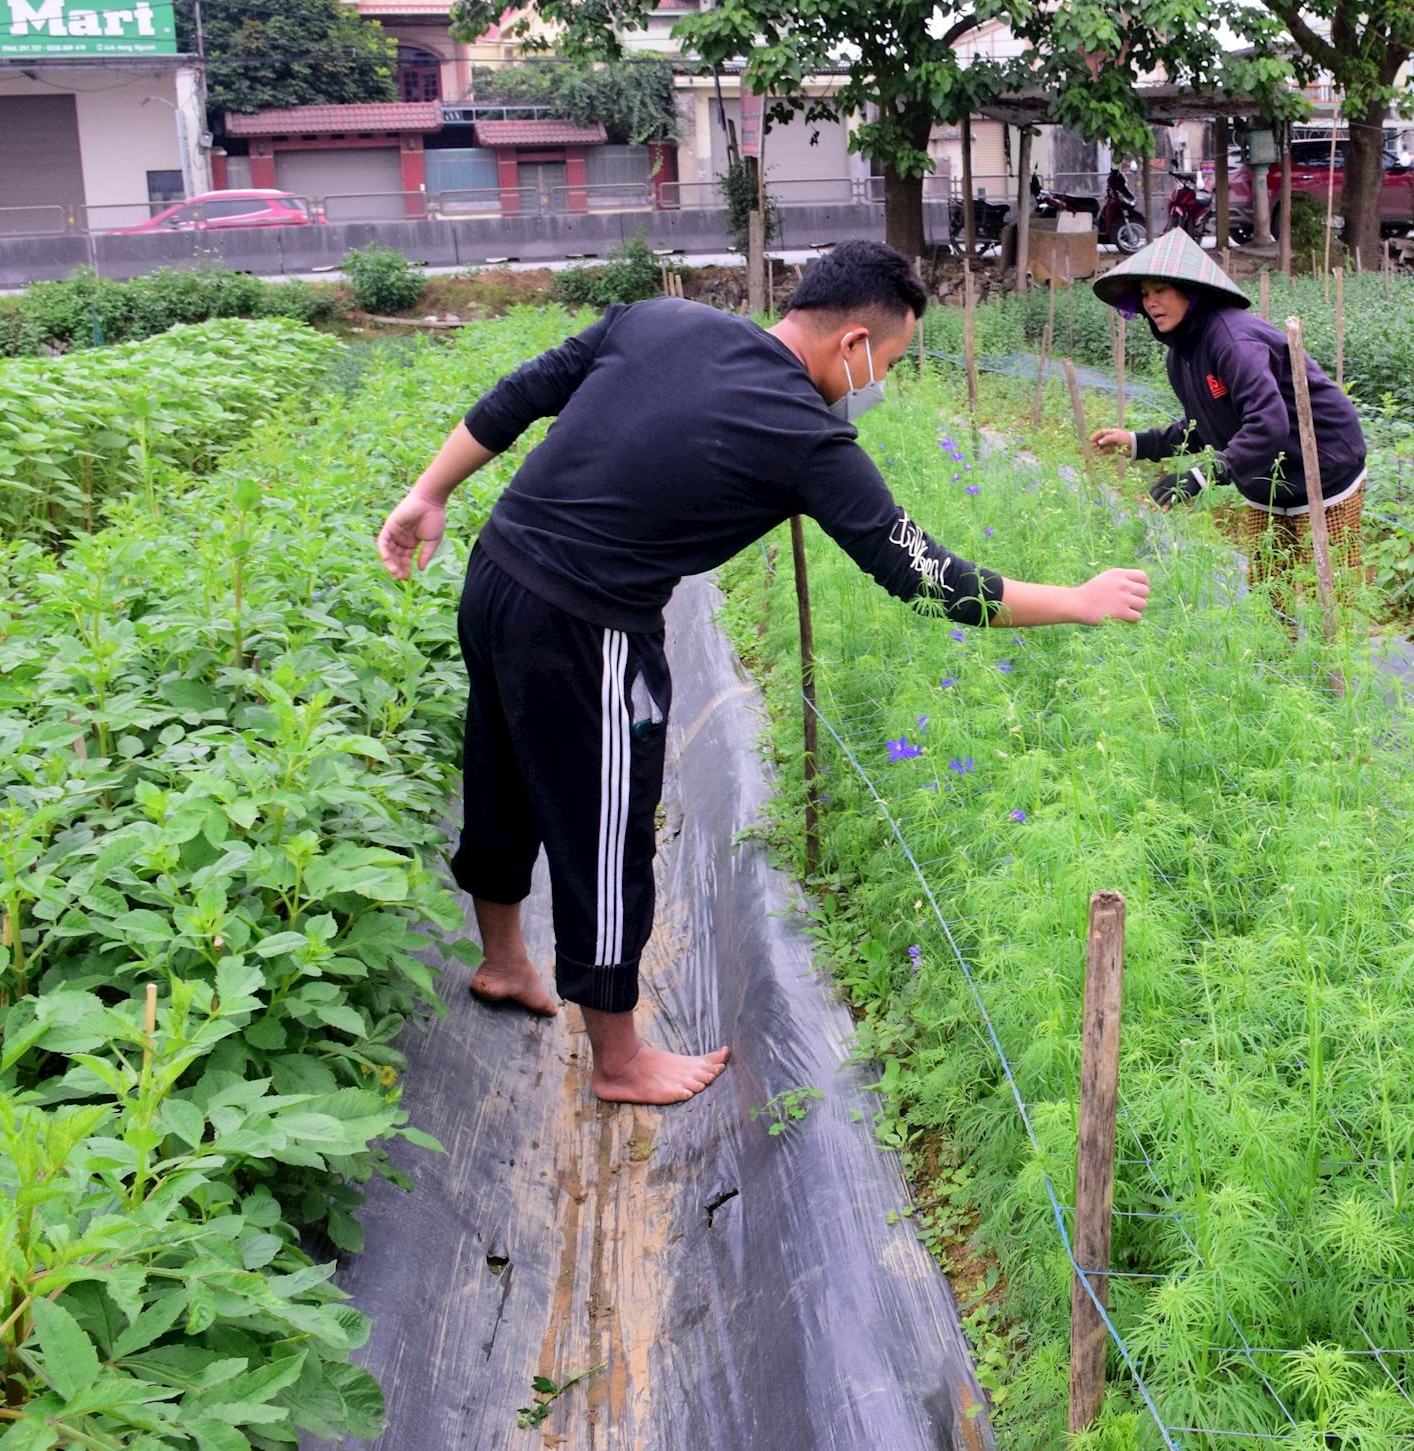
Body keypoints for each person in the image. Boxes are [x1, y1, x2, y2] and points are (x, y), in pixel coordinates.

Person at [376, 241, 1149, 1106]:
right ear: (853, 341)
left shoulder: (663, 320)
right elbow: (924, 576)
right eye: (887, 363)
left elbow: (523, 393)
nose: (878, 383)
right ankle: (620, 1058)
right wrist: (1077, 600)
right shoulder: (806, 436)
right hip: (585, 625)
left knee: (503, 771)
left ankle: (505, 960)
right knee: (607, 828)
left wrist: (430, 491)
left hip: (496, 572)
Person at [1088, 228, 1367, 567]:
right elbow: (1202, 426)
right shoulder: (1182, 355)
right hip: (1265, 476)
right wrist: (1137, 442)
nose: (1151, 302)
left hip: (1324, 468)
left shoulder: (1233, 342)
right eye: (1145, 294)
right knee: (1268, 590)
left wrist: (1202, 476)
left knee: (1330, 592)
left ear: (1191, 292)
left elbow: (1269, 423)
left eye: (1161, 289)